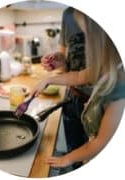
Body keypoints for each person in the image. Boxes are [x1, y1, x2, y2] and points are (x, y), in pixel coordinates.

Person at [32, 10, 125, 169]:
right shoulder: (105, 66)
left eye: (88, 37)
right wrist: (48, 80)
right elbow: (78, 77)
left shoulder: (118, 88)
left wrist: (68, 158)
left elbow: (100, 142)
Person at [42, 7, 90, 169]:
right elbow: (66, 63)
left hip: (100, 103)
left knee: (91, 155)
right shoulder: (69, 14)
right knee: (74, 156)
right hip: (73, 98)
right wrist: (59, 61)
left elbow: (96, 71)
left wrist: (50, 79)